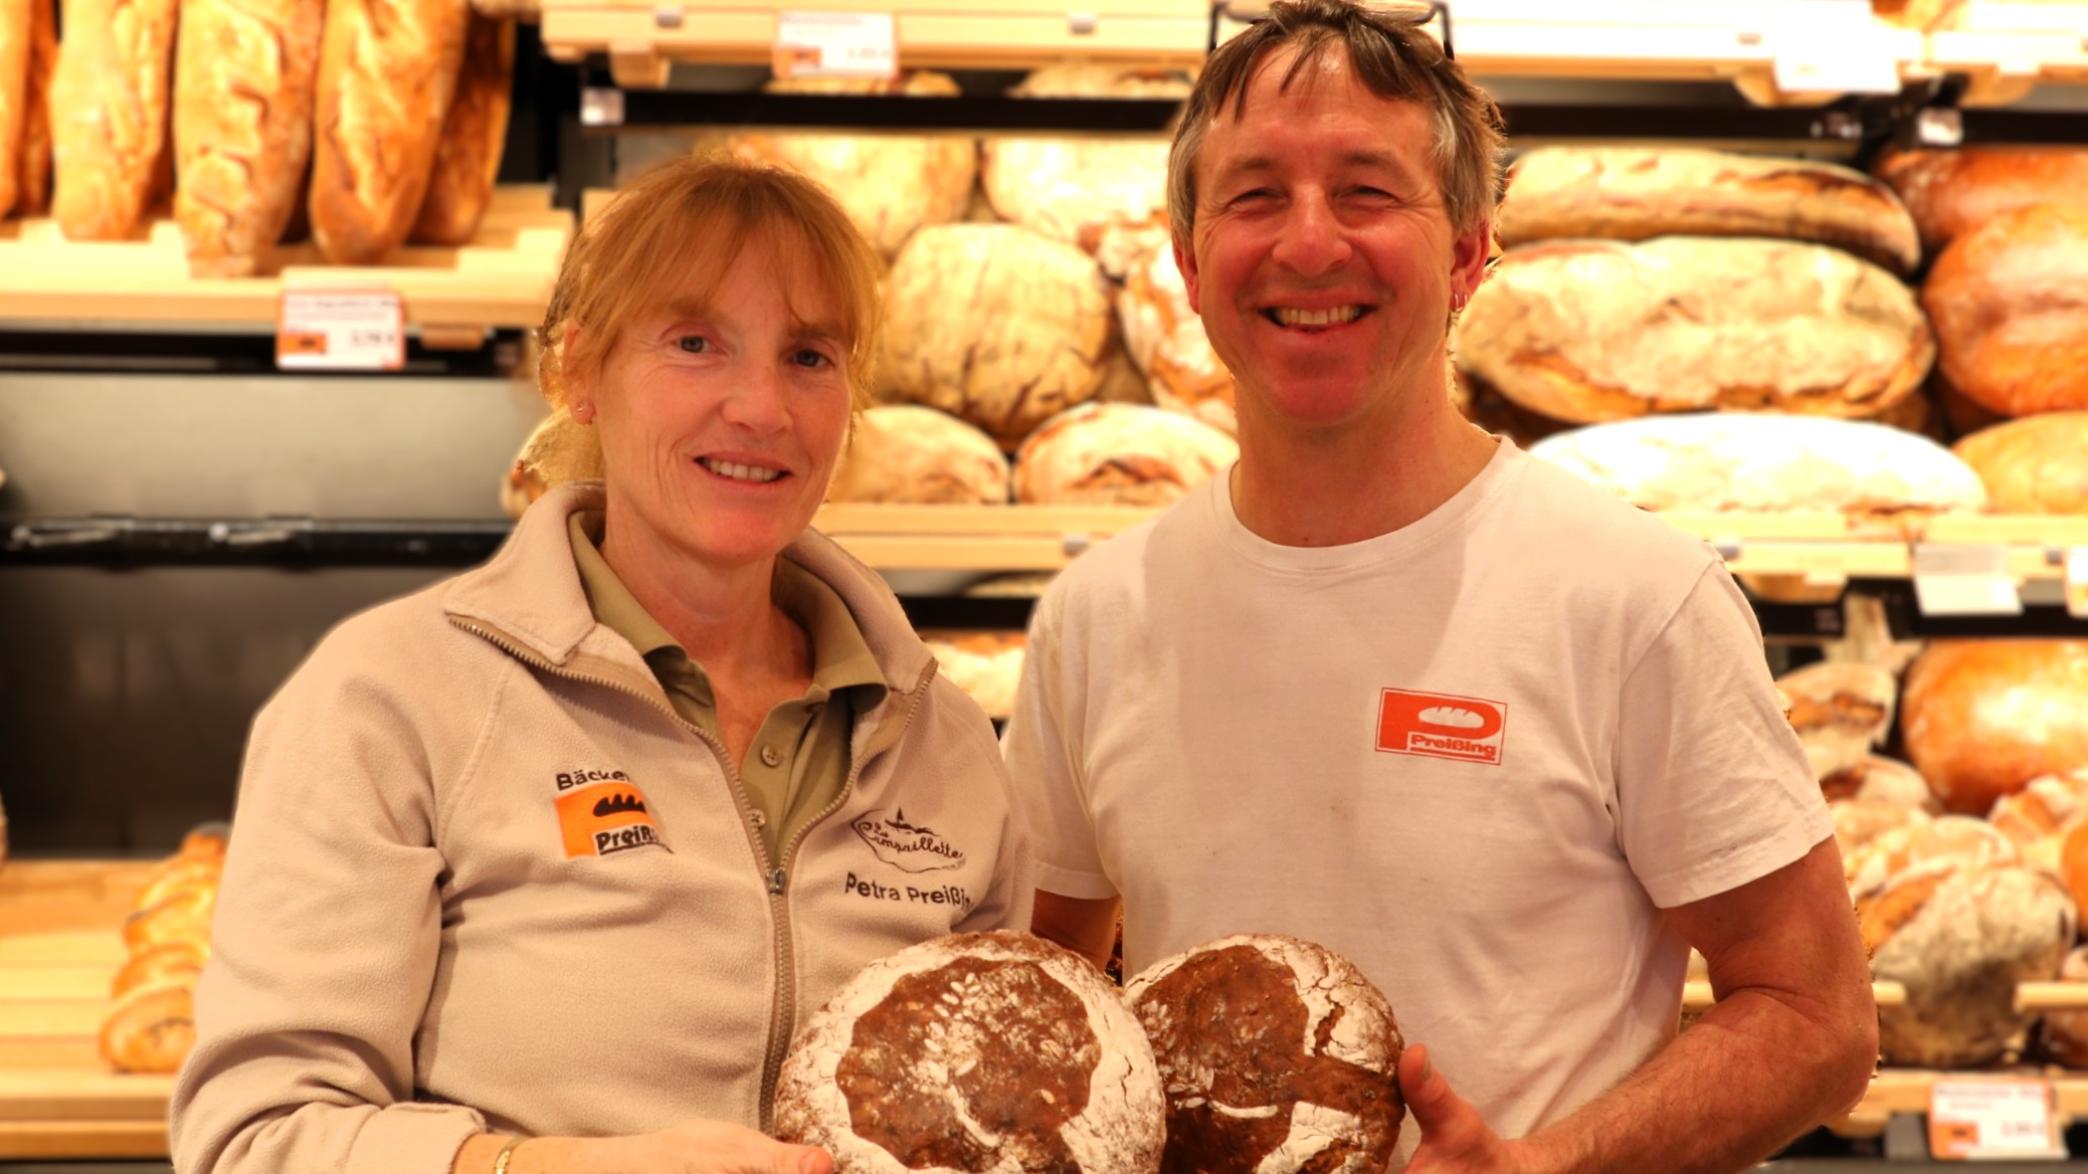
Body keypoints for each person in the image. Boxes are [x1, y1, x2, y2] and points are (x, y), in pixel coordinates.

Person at [1001, 3, 1877, 1170]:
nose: (1310, 245)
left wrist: (1549, 1163)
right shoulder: (1097, 618)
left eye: (1367, 191)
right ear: (1190, 261)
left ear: (1469, 251)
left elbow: (1818, 1018)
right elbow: (1048, 994)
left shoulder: (1631, 599)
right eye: (1257, 194)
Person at [170, 157, 1033, 1174]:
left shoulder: (942, 742)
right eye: (695, 343)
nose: (762, 405)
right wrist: (554, 1167)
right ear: (579, 372)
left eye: (810, 356)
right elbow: (256, 1137)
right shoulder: (391, 698)